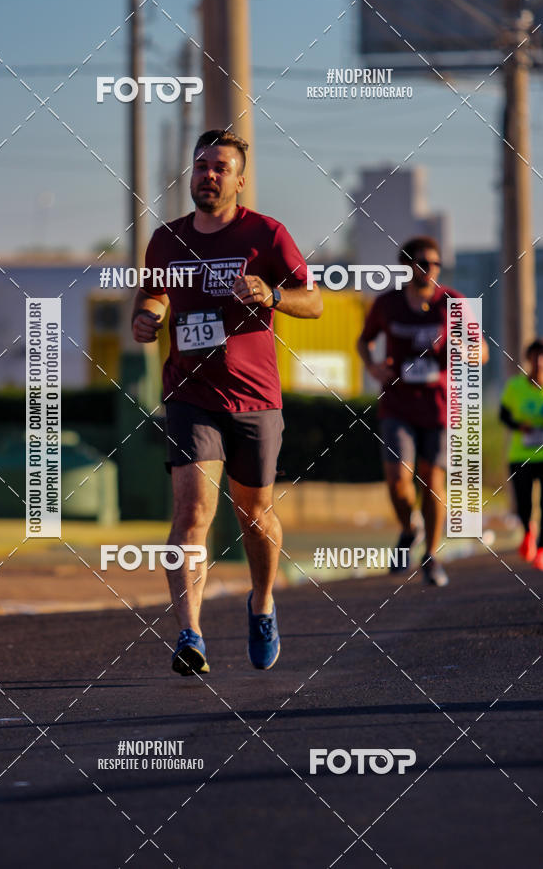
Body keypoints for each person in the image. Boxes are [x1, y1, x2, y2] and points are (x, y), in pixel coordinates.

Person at [131, 129, 323, 676]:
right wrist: (148, 317)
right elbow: (153, 293)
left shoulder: (266, 234)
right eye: (201, 165)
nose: (208, 174)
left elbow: (315, 304)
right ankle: (190, 633)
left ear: (240, 180)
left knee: (254, 513)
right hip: (190, 394)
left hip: (254, 398)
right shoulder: (166, 240)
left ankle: (261, 601)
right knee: (191, 513)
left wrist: (274, 294)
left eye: (221, 167)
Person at [357, 236, 488, 586]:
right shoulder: (387, 304)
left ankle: (431, 556)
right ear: (407, 266)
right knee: (398, 480)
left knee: (432, 481)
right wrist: (373, 366)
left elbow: (482, 350)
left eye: (435, 264)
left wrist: (466, 352)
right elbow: (364, 340)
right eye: (422, 263)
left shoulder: (453, 302)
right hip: (397, 405)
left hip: (439, 407)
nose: (429, 269)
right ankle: (409, 527)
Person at [500, 338, 543, 572]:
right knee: (523, 503)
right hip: (521, 454)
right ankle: (527, 532)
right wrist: (518, 425)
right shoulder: (515, 387)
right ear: (528, 360)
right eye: (535, 357)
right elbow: (503, 416)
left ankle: (542, 550)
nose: (539, 362)